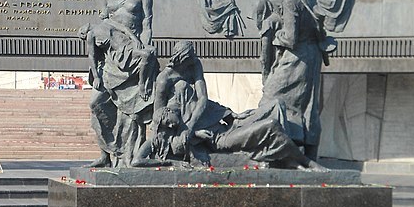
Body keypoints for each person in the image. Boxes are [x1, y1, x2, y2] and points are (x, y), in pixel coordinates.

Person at [133, 41, 327, 170]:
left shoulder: (194, 65)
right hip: (218, 138)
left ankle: (288, 157)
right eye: (190, 58)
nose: (193, 61)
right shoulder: (163, 81)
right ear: (181, 59)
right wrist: (193, 134)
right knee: (269, 127)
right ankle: (304, 162)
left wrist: (224, 117)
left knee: (275, 105)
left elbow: (202, 99)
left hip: (221, 121)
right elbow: (158, 120)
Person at [85, 0, 157, 167]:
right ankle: (106, 154)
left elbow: (147, 24)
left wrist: (143, 45)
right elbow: (103, 25)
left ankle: (131, 156)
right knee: (96, 103)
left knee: (134, 112)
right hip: (112, 59)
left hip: (134, 55)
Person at [258, 0, 328, 161]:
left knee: (270, 95)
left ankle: (274, 149)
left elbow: (290, 37)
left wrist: (275, 34)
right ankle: (306, 153)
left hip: (298, 56)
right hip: (311, 54)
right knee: (308, 105)